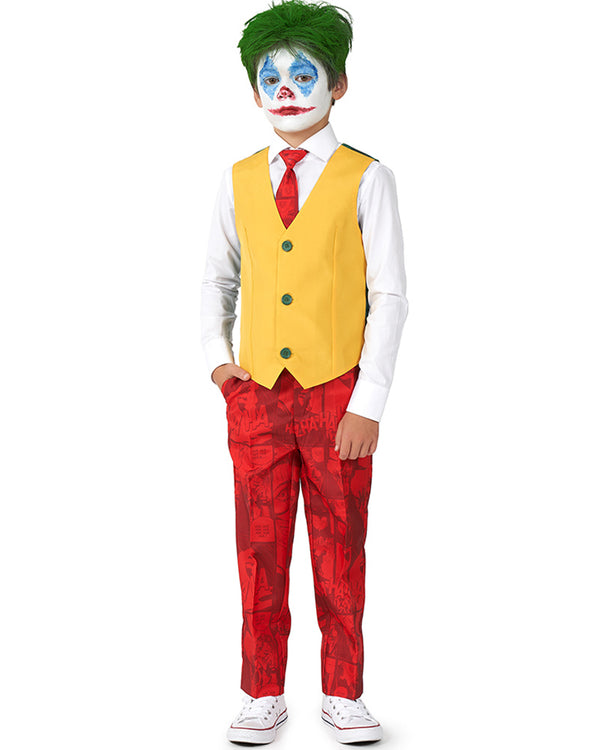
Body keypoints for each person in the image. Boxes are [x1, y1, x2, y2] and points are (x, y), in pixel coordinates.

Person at [200, 0, 408, 743]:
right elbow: (217, 278)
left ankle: (343, 693)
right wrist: (221, 366)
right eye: (270, 77)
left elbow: (389, 295)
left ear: (338, 85)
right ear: (255, 90)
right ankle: (262, 692)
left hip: (336, 394)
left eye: (304, 74)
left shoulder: (367, 177)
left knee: (339, 546)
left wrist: (369, 401)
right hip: (257, 397)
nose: (285, 89)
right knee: (258, 551)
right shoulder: (237, 179)